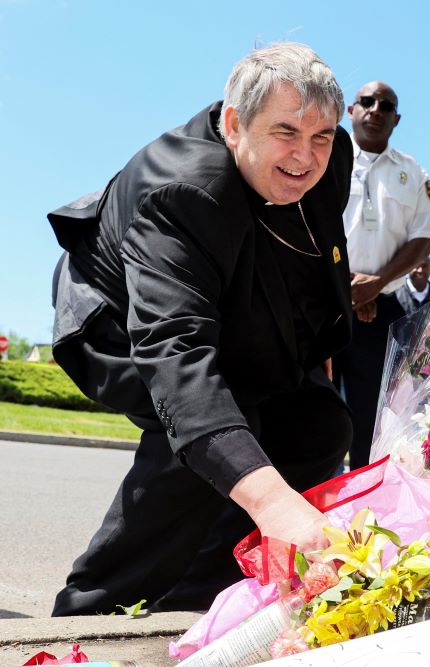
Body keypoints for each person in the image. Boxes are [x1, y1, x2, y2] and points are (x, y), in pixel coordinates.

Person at [47, 43, 354, 615]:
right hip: (118, 318)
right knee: (213, 419)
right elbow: (178, 359)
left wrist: (315, 345)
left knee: (320, 423)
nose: (306, 157)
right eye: (285, 132)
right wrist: (272, 504)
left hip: (231, 295)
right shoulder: (179, 191)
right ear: (235, 124)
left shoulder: (332, 155)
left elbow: (314, 248)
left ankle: (199, 598)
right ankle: (96, 609)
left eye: (321, 136)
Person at [335, 81, 430, 470]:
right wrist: (346, 287)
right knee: (313, 415)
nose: (375, 110)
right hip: (322, 302)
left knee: (373, 423)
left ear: (397, 119)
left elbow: (422, 241)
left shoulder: (413, 173)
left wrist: (373, 286)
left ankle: (362, 515)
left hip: (380, 314)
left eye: (386, 105)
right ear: (350, 110)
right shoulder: (324, 155)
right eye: (367, 102)